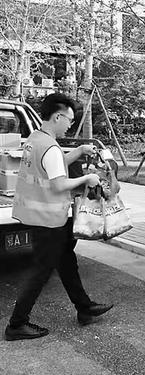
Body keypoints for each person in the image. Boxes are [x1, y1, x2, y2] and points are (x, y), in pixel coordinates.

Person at [5, 93, 112, 341]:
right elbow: (58, 184)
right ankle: (16, 324)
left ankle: (84, 307)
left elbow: (55, 164)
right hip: (48, 218)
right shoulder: (49, 146)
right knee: (41, 271)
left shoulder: (36, 139)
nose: (70, 125)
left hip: (38, 215)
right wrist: (88, 178)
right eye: (69, 120)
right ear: (57, 117)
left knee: (66, 260)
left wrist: (79, 150)